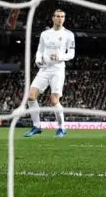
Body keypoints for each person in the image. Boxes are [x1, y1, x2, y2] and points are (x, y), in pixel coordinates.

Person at [23, 9, 75, 138]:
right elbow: (40, 50)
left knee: (54, 100)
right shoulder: (45, 34)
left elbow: (71, 54)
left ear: (64, 18)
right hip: (44, 69)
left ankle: (61, 128)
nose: (60, 18)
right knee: (31, 96)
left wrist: (60, 57)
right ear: (53, 18)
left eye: (62, 16)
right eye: (57, 16)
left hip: (58, 70)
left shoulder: (69, 34)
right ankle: (37, 126)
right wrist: (38, 59)